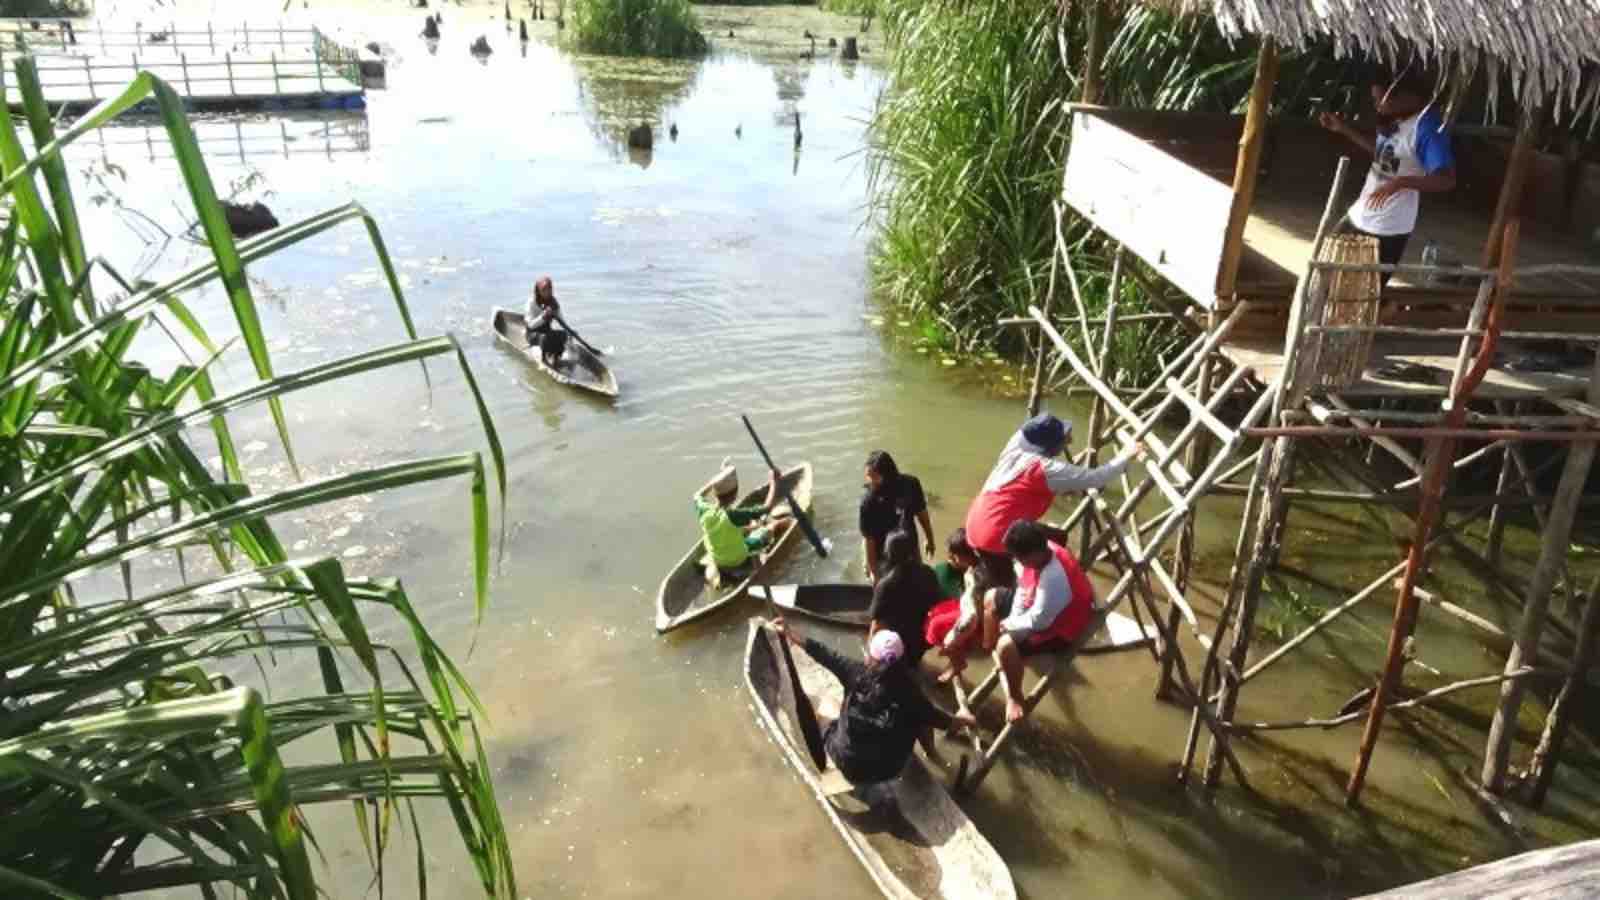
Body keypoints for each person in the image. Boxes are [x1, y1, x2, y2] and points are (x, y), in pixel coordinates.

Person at [772, 618, 976, 787]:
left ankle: (826, 732)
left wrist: (789, 632)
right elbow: (945, 721)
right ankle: (931, 754)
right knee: (922, 717)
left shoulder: (855, 673)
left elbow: (826, 654)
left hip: (849, 764)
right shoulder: (912, 693)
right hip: (890, 769)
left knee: (826, 705)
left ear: (871, 657)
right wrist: (965, 719)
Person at [963, 413, 1143, 593]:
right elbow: (1096, 478)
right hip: (994, 534)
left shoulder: (1016, 446)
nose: (1070, 441)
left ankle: (1028, 583)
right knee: (1003, 591)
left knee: (1058, 538)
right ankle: (1033, 594)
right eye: (1065, 439)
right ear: (1051, 444)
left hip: (979, 520)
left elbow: (1031, 431)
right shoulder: (1044, 469)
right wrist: (1127, 454)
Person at [1319, 66, 1456, 286]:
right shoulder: (1397, 119)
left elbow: (1446, 179)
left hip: (1388, 228)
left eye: (1381, 99)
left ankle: (1387, 310)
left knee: (1359, 295)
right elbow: (1385, 156)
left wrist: (1402, 183)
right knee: (1324, 277)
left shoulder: (1428, 129)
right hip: (1360, 213)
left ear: (1405, 97)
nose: (1377, 106)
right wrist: (1344, 129)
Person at [990, 520, 1095, 723]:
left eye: (1020, 558)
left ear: (1034, 553)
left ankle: (1014, 697)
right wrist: (1013, 619)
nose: (1018, 562)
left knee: (1005, 646)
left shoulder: (1054, 576)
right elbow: (1022, 587)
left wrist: (1010, 627)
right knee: (991, 598)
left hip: (1065, 623)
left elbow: (1040, 622)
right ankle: (998, 652)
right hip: (1044, 605)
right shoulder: (1042, 553)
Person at [694, 460, 794, 580]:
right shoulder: (733, 515)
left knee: (737, 529)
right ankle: (791, 524)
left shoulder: (705, 509)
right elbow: (766, 508)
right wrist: (774, 482)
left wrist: (716, 481)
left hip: (717, 556)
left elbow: (697, 495)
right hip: (737, 559)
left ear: (715, 493)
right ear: (735, 494)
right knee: (774, 525)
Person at [867, 530, 944, 665]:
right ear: (913, 551)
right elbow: (937, 605)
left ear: (888, 554)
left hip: (896, 644)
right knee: (913, 663)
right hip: (923, 640)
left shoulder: (885, 585)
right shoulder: (929, 573)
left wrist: (870, 655)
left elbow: (876, 625)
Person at [858, 450, 934, 584]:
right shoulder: (868, 502)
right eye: (868, 476)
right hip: (880, 550)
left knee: (916, 582)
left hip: (909, 545)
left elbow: (922, 513)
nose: (870, 481)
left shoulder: (911, 485)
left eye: (873, 477)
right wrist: (873, 572)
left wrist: (930, 539)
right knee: (885, 587)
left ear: (887, 474)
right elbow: (869, 539)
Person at [523, 276, 604, 369]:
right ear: (538, 291)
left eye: (549, 289)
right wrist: (544, 316)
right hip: (532, 334)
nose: (547, 292)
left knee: (563, 335)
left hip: (546, 331)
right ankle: (544, 359)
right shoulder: (531, 302)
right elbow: (530, 325)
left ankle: (556, 358)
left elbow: (562, 321)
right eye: (544, 290)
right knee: (545, 338)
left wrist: (570, 333)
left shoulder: (553, 303)